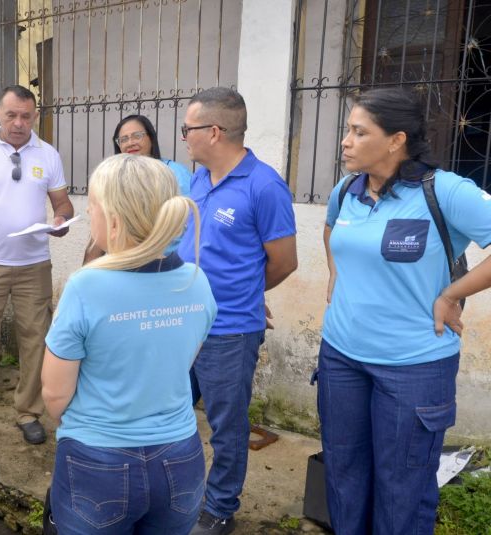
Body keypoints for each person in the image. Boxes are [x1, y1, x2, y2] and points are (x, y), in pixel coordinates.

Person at [320, 87, 491, 534]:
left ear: (396, 140)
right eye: (348, 130)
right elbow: (332, 232)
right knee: (343, 474)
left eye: (359, 132)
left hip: (413, 366)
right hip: (340, 356)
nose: (346, 141)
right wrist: (338, 277)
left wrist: (451, 294)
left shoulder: (444, 191)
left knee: (402, 486)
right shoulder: (347, 190)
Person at [42, 154, 217, 534]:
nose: (89, 214)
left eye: (92, 207)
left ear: (115, 219)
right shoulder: (197, 281)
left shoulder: (85, 286)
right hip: (181, 460)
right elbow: (183, 363)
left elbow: (54, 396)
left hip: (97, 463)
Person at [177, 87, 298, 535]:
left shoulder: (264, 185)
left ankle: (220, 508)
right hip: (182, 323)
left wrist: (248, 290)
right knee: (172, 412)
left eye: (187, 129)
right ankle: (182, 492)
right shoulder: (196, 181)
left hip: (228, 330)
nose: (183, 137)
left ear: (214, 131)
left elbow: (284, 262)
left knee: (227, 425)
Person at [0, 84, 74, 453]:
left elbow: (63, 205)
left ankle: (29, 413)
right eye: (12, 115)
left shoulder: (48, 155)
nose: (19, 123)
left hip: (34, 264)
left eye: (26, 116)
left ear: (35, 116)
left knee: (36, 340)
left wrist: (61, 220)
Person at [83, 114, 193, 263]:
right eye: (124, 139)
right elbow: (103, 224)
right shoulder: (114, 177)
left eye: (137, 136)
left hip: (167, 263)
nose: (130, 143)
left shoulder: (175, 173)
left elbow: (189, 222)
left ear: (151, 138)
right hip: (124, 264)